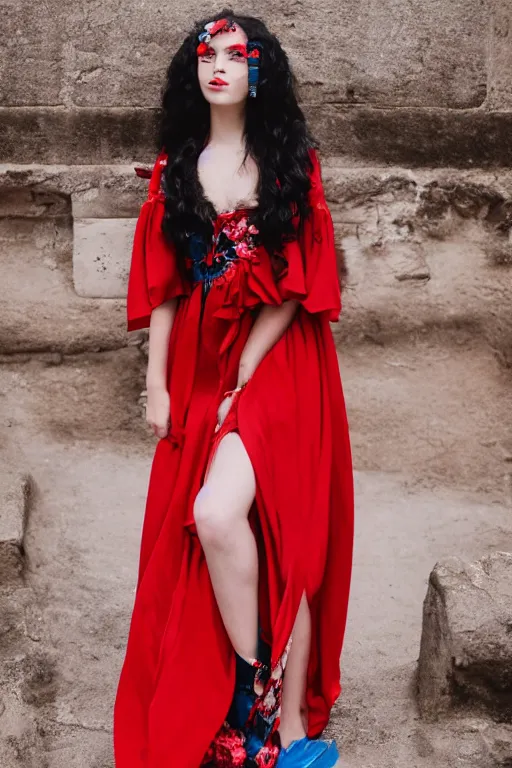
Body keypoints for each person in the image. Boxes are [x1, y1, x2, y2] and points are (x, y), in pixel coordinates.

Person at [113, 9, 354, 768]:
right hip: (197, 360)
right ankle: (257, 713)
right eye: (206, 54)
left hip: (280, 356)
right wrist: (156, 382)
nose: (219, 66)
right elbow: (163, 282)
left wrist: (245, 373)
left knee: (231, 516)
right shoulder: (175, 165)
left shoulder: (289, 161)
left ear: (260, 71)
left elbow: (297, 283)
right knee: (218, 530)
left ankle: (279, 720)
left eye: (235, 54)